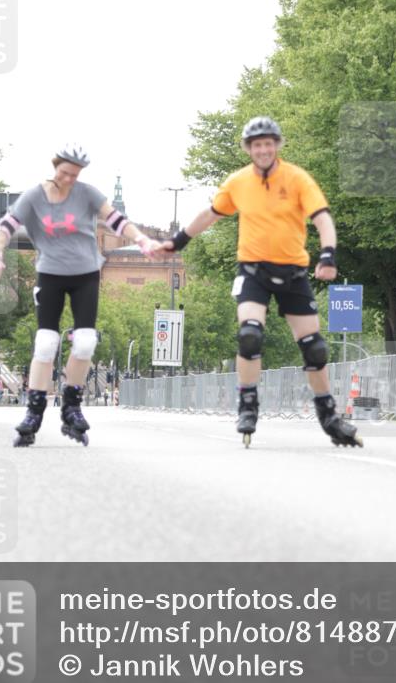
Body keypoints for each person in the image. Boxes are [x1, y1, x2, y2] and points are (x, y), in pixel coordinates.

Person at [155, 116, 362, 449]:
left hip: (293, 272)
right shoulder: (238, 182)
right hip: (253, 272)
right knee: (250, 335)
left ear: (277, 146)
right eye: (257, 145)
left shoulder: (297, 179)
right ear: (249, 149)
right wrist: (177, 242)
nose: (263, 150)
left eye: (268, 143)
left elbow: (322, 217)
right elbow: (210, 214)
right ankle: (247, 404)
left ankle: (328, 415)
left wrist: (328, 255)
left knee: (314, 347)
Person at [0, 143, 160, 447]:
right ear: (55, 167)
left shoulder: (87, 193)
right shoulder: (35, 196)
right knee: (46, 342)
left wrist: (142, 240)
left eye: (75, 175)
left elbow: (116, 220)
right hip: (50, 273)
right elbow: (5, 226)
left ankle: (71, 406)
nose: (69, 180)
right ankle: (34, 411)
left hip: (86, 273)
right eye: (65, 173)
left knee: (87, 340)